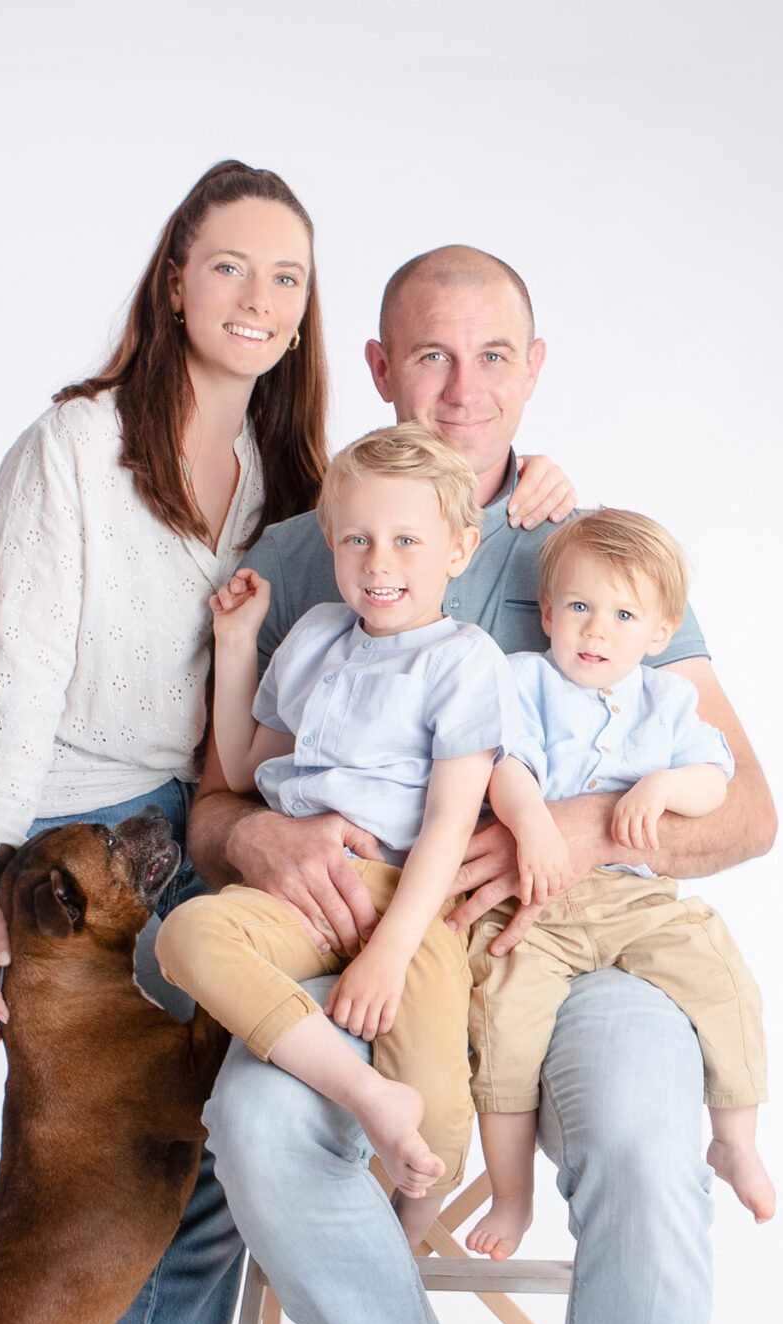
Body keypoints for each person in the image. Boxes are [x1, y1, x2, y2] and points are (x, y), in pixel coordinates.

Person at [0, 172, 576, 1324]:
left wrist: (528, 489)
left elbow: (414, 540)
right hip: (85, 836)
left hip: (221, 832)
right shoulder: (79, 445)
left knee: (208, 1180)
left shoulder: (296, 477)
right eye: (226, 268)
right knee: (109, 1184)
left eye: (285, 278)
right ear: (173, 279)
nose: (254, 301)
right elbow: (12, 674)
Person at [188, 243, 778, 1324]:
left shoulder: (594, 543)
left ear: (534, 366)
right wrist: (255, 836)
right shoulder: (324, 546)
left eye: (493, 356)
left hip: (575, 955)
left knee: (650, 1158)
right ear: (378, 367)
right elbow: (215, 798)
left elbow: (751, 809)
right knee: (255, 1112)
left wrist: (564, 836)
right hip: (363, 955)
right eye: (429, 357)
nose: (462, 388)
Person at [156, 425, 517, 1221]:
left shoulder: (462, 660)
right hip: (302, 892)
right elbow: (246, 766)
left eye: (404, 541)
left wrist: (387, 956)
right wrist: (237, 642)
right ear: (329, 540)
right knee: (184, 936)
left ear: (458, 549)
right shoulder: (315, 634)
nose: (378, 563)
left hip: (405, 900)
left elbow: (450, 825)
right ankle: (360, 1091)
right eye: (356, 539)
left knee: (440, 1107)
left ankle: (405, 1234)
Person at [469, 505, 773, 1263]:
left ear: (658, 633)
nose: (595, 631)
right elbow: (505, 764)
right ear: (546, 613)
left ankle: (734, 1139)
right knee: (501, 1026)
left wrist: (663, 787)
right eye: (577, 607)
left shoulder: (666, 702)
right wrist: (533, 823)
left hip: (630, 898)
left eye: (621, 614)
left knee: (720, 973)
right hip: (530, 903)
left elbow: (715, 780)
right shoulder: (524, 678)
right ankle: (512, 1195)